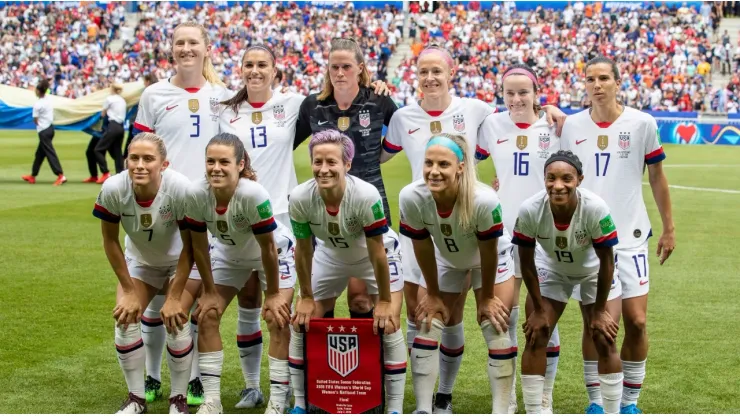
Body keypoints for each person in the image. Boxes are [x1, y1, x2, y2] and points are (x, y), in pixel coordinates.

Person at [381, 51, 565, 413]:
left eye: (438, 71)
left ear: (452, 74)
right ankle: (433, 400)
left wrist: (550, 107)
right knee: (429, 319)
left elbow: (521, 109)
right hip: (435, 228)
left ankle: (524, 398)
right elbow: (378, 152)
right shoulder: (405, 120)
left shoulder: (479, 111)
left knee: (521, 315)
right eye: (424, 71)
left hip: (492, 228)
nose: (431, 77)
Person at [561, 56, 675, 415]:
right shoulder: (571, 125)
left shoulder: (642, 123)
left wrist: (669, 228)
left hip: (630, 236)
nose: (597, 85)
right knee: (596, 324)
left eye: (604, 78)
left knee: (637, 322)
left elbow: (656, 177)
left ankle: (629, 402)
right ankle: (597, 401)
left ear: (618, 82)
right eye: (591, 78)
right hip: (588, 241)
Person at [134, 21, 231, 406]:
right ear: (171, 49)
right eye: (180, 43)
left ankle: (191, 379)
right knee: (159, 299)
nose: (186, 48)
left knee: (188, 296)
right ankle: (154, 376)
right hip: (164, 205)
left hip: (205, 207)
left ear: (206, 49)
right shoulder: (154, 94)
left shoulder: (223, 96)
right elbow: (141, 146)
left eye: (194, 42)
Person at [288, 130, 406, 414]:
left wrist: (387, 301)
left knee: (388, 322)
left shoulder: (365, 195)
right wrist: (305, 296)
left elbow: (377, 251)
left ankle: (394, 406)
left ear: (347, 165)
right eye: (318, 162)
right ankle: (302, 403)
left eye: (332, 162)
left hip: (373, 256)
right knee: (300, 319)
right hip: (330, 254)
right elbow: (303, 250)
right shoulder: (300, 197)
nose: (323, 169)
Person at [174, 133, 293, 414]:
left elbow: (268, 251)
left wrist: (274, 294)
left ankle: (278, 400)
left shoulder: (253, 194)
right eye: (210, 161)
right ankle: (212, 400)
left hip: (274, 253)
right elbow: (200, 249)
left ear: (240, 164)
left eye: (224, 162)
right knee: (206, 314)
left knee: (278, 317)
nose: (216, 168)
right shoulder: (195, 193)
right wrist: (211, 292)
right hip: (228, 254)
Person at [399, 133, 515, 414]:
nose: (434, 171)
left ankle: (502, 409)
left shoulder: (483, 200)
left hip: (491, 259)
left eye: (443, 164)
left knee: (495, 323)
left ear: (460, 167)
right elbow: (423, 247)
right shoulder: (411, 196)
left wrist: (486, 297)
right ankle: (425, 408)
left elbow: (487, 252)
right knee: (428, 321)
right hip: (448, 259)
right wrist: (434, 294)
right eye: (429, 163)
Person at [475, 64, 565, 414]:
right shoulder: (492, 125)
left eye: (523, 92)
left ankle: (544, 394)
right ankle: (508, 397)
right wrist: (489, 187)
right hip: (504, 235)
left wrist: (556, 110)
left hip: (545, 237)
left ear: (535, 92)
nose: (516, 99)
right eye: (509, 92)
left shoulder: (555, 126)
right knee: (507, 319)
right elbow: (468, 159)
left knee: (544, 317)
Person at [219, 44, 303, 410]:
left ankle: (281, 392)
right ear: (241, 69)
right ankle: (252, 387)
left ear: (274, 70)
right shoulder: (224, 109)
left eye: (262, 65)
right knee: (249, 301)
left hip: (281, 218)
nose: (255, 71)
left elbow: (335, 94)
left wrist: (372, 84)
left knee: (279, 310)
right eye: (249, 65)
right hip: (238, 219)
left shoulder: (294, 103)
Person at [293, 38, 395, 338]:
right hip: (324, 202)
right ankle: (327, 367)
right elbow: (285, 141)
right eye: (334, 66)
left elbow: (404, 133)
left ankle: (364, 373)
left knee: (361, 297)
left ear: (360, 68)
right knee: (320, 295)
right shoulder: (313, 105)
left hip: (369, 200)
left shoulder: (378, 100)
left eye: (346, 66)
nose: (340, 72)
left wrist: (382, 157)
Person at [92, 133, 197, 414]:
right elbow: (110, 241)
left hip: (183, 261)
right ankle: (136, 399)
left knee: (175, 318)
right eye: (133, 158)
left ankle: (179, 399)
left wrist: (174, 296)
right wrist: (127, 290)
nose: (139, 165)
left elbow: (191, 247)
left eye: (148, 159)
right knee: (125, 319)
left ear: (164, 164)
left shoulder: (180, 189)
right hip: (141, 262)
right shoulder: (114, 188)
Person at [512, 150, 623, 415]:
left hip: (595, 273)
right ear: (544, 179)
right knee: (536, 334)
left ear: (579, 179)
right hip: (552, 270)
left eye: (566, 178)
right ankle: (535, 411)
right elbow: (526, 263)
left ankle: (611, 411)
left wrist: (597, 311)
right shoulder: (530, 209)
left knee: (603, 336)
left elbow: (607, 261)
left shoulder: (595, 208)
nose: (558, 185)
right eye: (551, 178)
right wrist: (538, 310)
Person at [22, 79, 66, 186]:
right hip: (50, 128)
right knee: (40, 154)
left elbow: (35, 120)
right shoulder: (48, 99)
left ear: (38, 91)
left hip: (43, 130)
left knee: (49, 152)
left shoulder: (37, 105)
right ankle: (33, 175)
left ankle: (60, 175)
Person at [95, 82, 128, 183]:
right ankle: (121, 174)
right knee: (117, 152)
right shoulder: (123, 100)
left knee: (98, 149)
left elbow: (103, 113)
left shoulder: (109, 99)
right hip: (121, 128)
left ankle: (105, 172)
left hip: (112, 126)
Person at [124, 74, 158, 160]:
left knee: (132, 150)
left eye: (144, 82)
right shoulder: (158, 93)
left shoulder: (146, 93)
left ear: (148, 82)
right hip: (152, 126)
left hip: (140, 124)